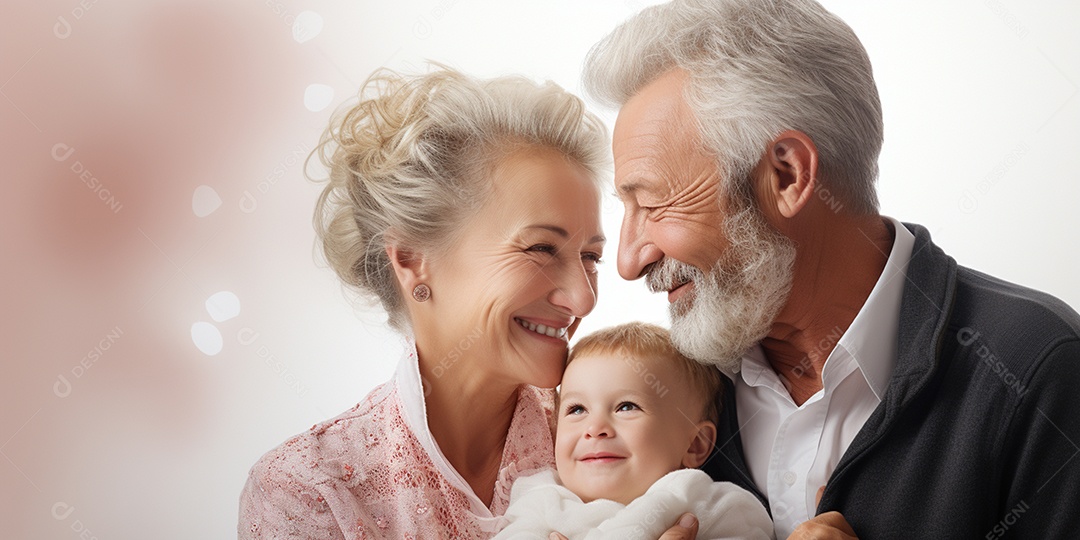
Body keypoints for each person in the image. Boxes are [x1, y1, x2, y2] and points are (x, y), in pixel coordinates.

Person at [583, 0, 1080, 538]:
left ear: (788, 175)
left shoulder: (1036, 371)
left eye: (653, 204)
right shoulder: (663, 390)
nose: (629, 262)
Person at [238, 66, 611, 538]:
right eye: (540, 248)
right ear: (414, 261)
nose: (583, 297)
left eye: (591, 256)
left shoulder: (615, 432)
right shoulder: (307, 492)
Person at [495, 323, 774, 539]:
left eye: (626, 407)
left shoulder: (703, 502)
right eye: (577, 409)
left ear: (695, 445)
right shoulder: (541, 499)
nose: (595, 429)